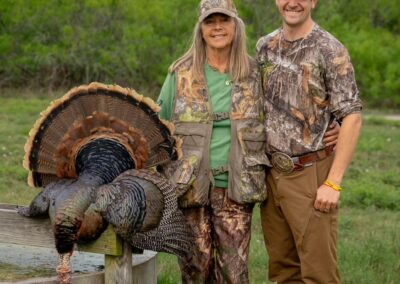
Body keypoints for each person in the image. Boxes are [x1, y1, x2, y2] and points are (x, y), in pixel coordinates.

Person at [157, 1, 266, 282]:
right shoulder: (179, 74)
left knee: (234, 273)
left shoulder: (255, 74)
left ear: (236, 25)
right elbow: (158, 128)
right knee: (195, 271)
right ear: (201, 28)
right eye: (210, 21)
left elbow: (278, 122)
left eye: (224, 20)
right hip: (190, 188)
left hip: (236, 189)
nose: (217, 27)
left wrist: (333, 129)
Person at [256, 0, 362, 283]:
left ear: (314, 1)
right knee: (283, 271)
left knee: (318, 273)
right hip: (271, 174)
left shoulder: (330, 49)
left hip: (310, 174)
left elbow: (352, 115)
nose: (293, 3)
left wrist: (333, 182)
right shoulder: (264, 47)